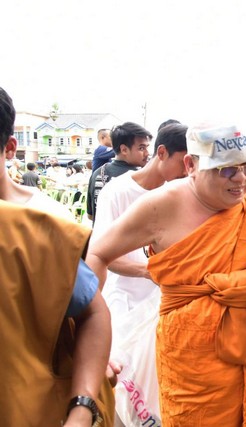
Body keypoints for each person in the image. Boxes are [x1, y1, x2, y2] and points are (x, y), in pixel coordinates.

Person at [86, 123, 246, 426]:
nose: (241, 179)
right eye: (225, 169)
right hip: (192, 362)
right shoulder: (161, 207)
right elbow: (97, 253)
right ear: (191, 165)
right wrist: (90, 341)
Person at [0, 86, 113, 426]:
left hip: (32, 402)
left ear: (9, 149)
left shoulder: (43, 224)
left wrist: (83, 399)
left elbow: (88, 314)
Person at [91, 122, 188, 425]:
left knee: (153, 391)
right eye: (184, 162)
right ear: (162, 153)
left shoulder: (181, 194)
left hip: (159, 307)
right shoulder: (117, 192)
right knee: (121, 388)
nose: (189, 170)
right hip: (122, 303)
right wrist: (151, 271)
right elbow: (103, 254)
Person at [86, 122, 151, 222]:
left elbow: (90, 215)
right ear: (124, 150)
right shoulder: (141, 177)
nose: (147, 153)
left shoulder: (97, 174)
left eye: (147, 147)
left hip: (99, 236)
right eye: (141, 148)